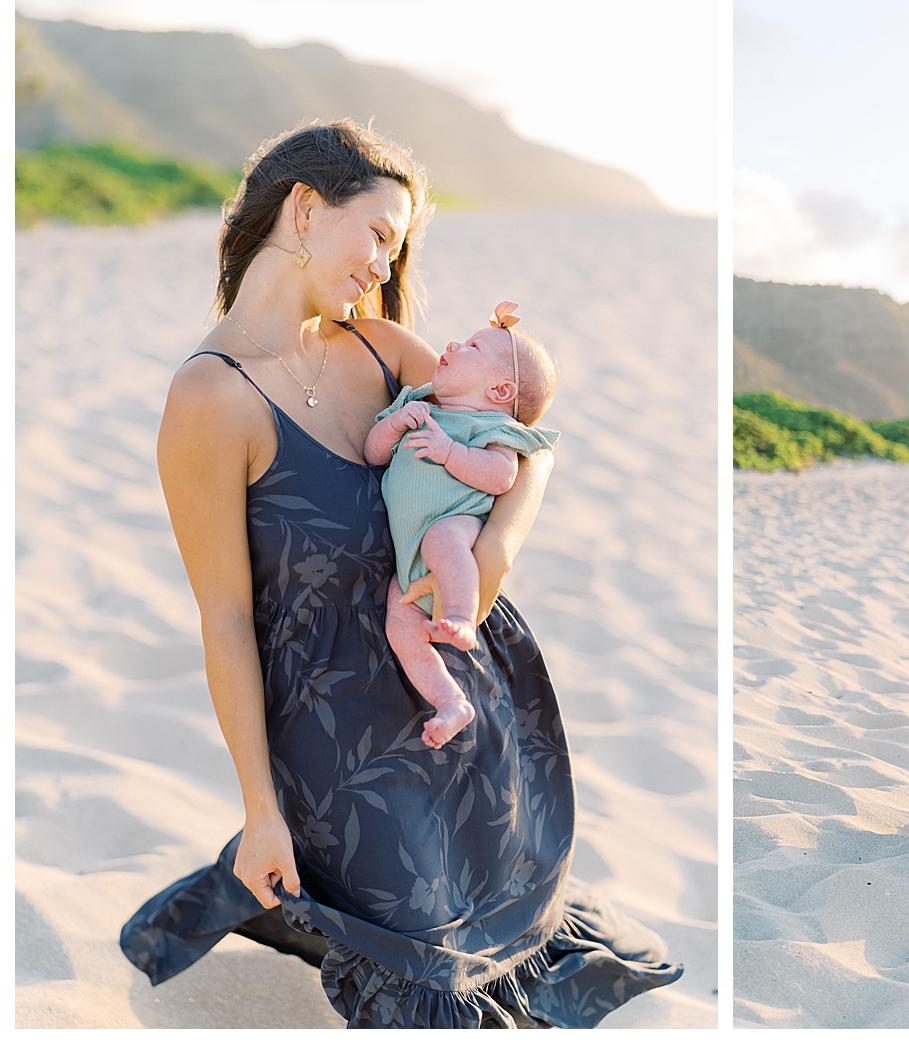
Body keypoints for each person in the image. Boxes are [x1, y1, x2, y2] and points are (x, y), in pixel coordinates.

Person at [118, 120, 681, 1028]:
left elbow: (530, 444)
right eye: (379, 234)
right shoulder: (211, 398)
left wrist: (496, 551)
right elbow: (224, 622)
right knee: (418, 959)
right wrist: (262, 809)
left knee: (496, 913)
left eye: (399, 244)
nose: (387, 265)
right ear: (304, 210)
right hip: (336, 729)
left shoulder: (383, 351)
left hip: (461, 679)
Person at [365, 305, 560, 750]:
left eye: (472, 347)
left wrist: (449, 452)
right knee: (401, 623)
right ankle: (450, 702)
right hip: (409, 562)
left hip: (453, 526)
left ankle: (458, 618)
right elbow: (374, 452)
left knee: (444, 540)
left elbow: (501, 476)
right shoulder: (417, 403)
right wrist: (394, 424)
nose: (451, 346)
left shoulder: (490, 426)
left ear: (500, 389)